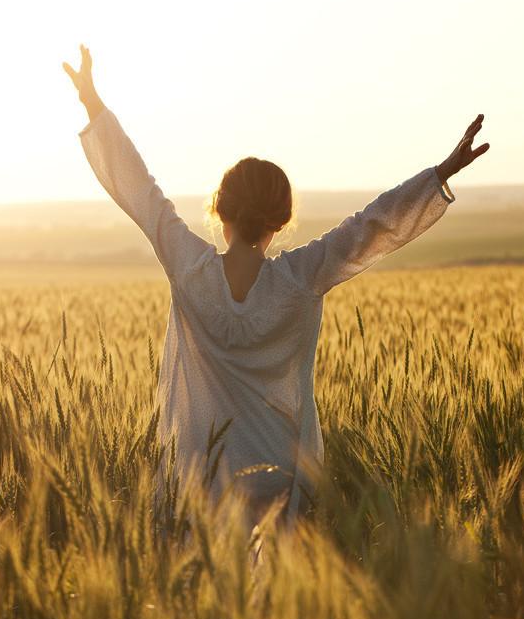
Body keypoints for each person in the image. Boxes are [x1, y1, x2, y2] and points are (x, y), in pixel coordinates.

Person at [62, 44, 489, 541]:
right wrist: (439, 175)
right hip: (282, 479)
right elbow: (371, 226)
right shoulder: (300, 278)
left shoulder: (189, 269)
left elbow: (141, 191)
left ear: (219, 211)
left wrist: (93, 102)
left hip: (206, 480)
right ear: (280, 221)